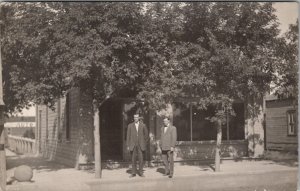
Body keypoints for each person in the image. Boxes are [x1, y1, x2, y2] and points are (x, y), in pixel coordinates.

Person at [126, 113, 149, 178]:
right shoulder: (130, 126)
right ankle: (133, 173)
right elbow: (128, 136)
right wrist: (128, 145)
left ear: (139, 118)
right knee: (133, 159)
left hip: (140, 145)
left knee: (141, 159)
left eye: (137, 117)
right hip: (133, 144)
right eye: (134, 117)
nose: (136, 118)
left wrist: (144, 143)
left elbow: (146, 136)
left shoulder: (143, 125)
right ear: (133, 118)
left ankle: (141, 172)